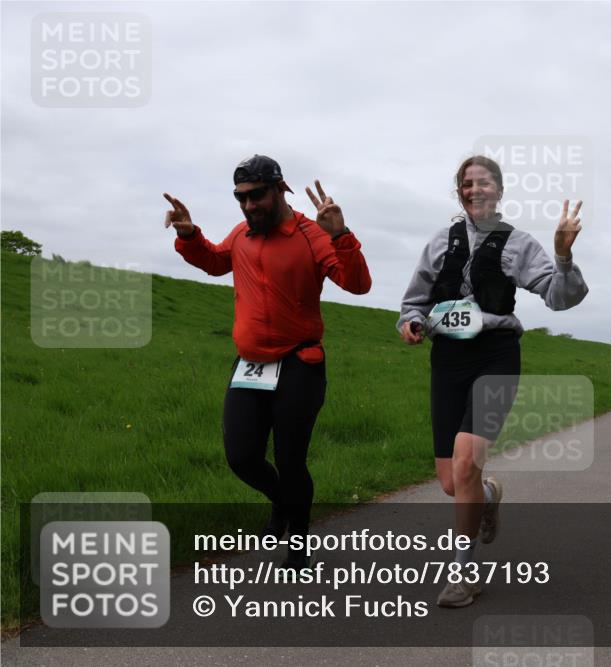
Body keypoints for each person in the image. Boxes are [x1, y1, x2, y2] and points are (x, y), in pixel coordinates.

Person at [397, 155, 588, 607]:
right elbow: (414, 302)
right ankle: (487, 495)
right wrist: (410, 323)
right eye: (467, 184)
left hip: (496, 354)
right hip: (447, 359)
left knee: (465, 463)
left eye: (484, 183)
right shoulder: (440, 241)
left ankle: (463, 574)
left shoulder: (518, 244)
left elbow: (562, 297)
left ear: (499, 190)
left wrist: (562, 255)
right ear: (459, 192)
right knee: (451, 481)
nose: (476, 190)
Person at [164, 154, 372, 568]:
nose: (248, 205)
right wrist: (189, 235)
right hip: (251, 365)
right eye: (241, 197)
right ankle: (281, 501)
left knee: (290, 459)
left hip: (300, 363)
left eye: (256, 195)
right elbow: (215, 261)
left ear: (280, 189)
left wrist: (342, 235)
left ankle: (298, 541)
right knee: (241, 457)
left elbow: (358, 285)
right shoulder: (242, 234)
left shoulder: (310, 234)